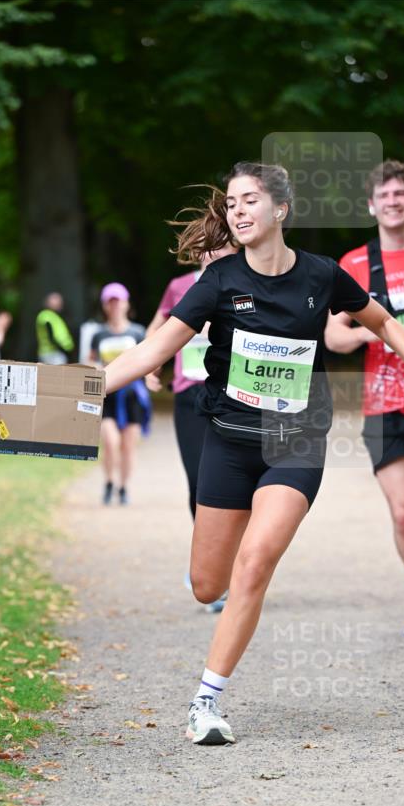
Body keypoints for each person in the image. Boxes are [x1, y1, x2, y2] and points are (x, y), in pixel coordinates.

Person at [102, 162, 404, 746]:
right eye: (231, 203)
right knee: (207, 585)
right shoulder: (218, 281)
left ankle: (205, 701)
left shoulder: (322, 274)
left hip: (296, 443)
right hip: (228, 442)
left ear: (280, 209)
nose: (238, 211)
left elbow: (379, 319)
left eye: (250, 200)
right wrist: (84, 389)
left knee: (255, 562)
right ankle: (222, 600)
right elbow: (150, 352)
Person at [325, 160, 404, 637]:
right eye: (384, 196)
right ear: (371, 206)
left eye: (401, 194)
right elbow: (333, 336)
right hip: (383, 407)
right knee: (403, 514)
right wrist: (374, 333)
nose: (393, 202)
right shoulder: (354, 264)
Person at [145, 244, 236, 613]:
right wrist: (152, 365)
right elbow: (158, 327)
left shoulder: (245, 283)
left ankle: (233, 566)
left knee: (235, 484)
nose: (212, 253)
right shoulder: (180, 286)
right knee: (198, 483)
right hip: (190, 393)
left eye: (221, 246)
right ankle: (209, 562)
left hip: (233, 393)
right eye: (206, 247)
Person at [89, 283, 151, 505]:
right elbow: (91, 361)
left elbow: (148, 361)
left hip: (133, 396)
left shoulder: (138, 332)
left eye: (118, 302)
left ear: (126, 304)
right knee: (110, 442)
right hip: (107, 396)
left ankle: (123, 487)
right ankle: (108, 482)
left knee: (128, 446)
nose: (115, 306)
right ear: (105, 306)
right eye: (110, 302)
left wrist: (150, 377)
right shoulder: (99, 334)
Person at [36, 292, 75, 364]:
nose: (60, 303)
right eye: (56, 300)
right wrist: (60, 348)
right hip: (52, 353)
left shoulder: (54, 315)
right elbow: (50, 333)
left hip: (57, 352)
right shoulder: (46, 315)